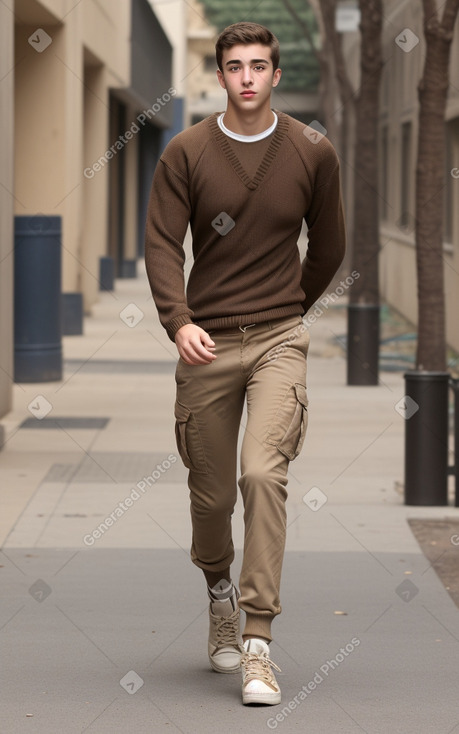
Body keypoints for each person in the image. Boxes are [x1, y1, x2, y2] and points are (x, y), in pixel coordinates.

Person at [144, 21, 346, 706]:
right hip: (205, 341)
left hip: (276, 340)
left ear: (276, 74)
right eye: (234, 66)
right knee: (212, 497)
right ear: (222, 74)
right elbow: (162, 246)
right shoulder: (187, 150)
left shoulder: (312, 151)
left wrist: (291, 310)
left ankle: (257, 642)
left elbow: (328, 245)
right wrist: (179, 320)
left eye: (259, 65)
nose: (247, 77)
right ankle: (219, 591)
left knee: (262, 473)